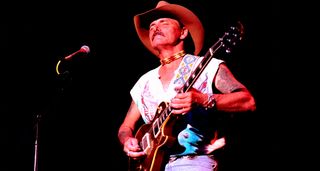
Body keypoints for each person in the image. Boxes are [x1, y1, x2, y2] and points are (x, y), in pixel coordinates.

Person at [117, 1, 256, 171]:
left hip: (193, 162)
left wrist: (203, 99)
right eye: (152, 25)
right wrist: (127, 140)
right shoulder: (144, 81)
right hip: (151, 166)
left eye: (164, 22)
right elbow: (126, 127)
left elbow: (247, 101)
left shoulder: (207, 65)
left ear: (183, 32)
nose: (155, 27)